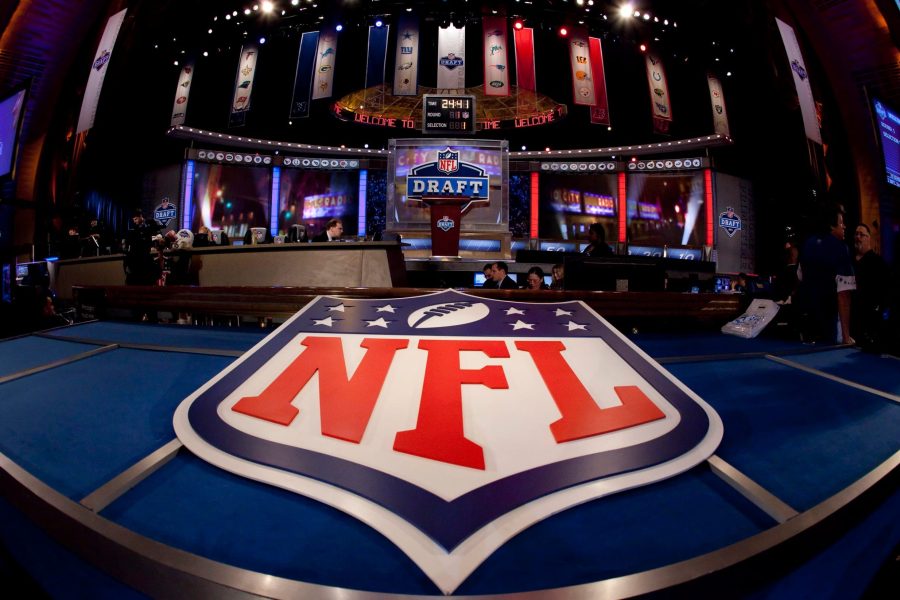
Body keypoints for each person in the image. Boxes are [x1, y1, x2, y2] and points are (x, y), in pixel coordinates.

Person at [795, 203, 856, 344]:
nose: (844, 226)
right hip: (829, 327)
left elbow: (799, 278)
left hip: (805, 326)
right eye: (841, 223)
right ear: (832, 226)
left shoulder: (808, 244)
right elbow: (844, 295)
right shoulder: (841, 248)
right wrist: (846, 337)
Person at [851, 223, 889, 348]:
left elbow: (884, 292)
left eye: (862, 234)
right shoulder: (848, 261)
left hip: (869, 321)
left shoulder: (877, 262)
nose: (858, 237)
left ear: (869, 238)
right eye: (856, 234)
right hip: (851, 320)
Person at [123, 209, 161, 286]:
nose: (134, 221)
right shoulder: (134, 229)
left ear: (141, 216)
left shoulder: (150, 222)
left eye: (136, 219)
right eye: (133, 220)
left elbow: (159, 234)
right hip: (138, 257)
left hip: (148, 254)